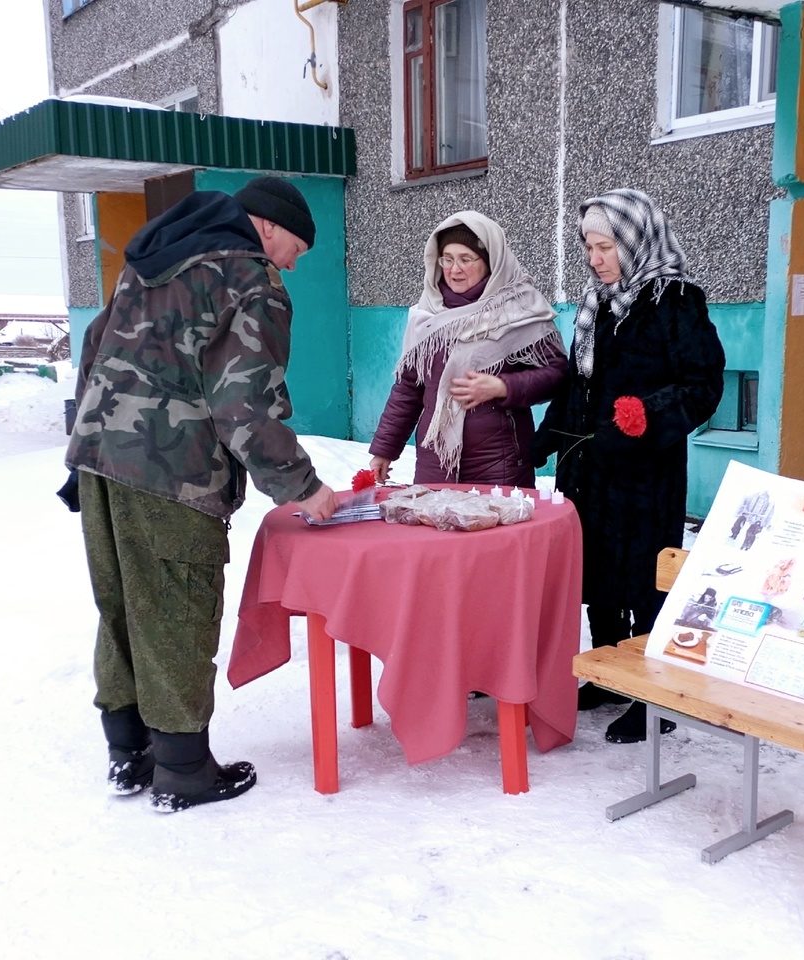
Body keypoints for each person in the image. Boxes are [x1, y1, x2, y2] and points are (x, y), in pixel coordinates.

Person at [65, 176, 341, 812]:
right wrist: (301, 486)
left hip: (101, 456)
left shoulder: (156, 259)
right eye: (297, 246)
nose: (295, 264)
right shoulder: (251, 280)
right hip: (173, 470)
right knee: (174, 607)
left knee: (123, 603)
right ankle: (184, 771)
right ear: (267, 226)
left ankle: (128, 752)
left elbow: (93, 346)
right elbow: (243, 404)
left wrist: (89, 441)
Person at [534, 189, 726, 744]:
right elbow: (579, 386)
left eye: (605, 247)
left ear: (635, 242)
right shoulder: (597, 305)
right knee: (598, 574)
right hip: (591, 468)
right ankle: (610, 673)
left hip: (646, 472)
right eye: (589, 247)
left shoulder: (676, 301)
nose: (595, 259)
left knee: (644, 578)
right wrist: (545, 441)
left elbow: (703, 384)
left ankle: (652, 695)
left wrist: (650, 413)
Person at [368, 212, 568, 486]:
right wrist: (384, 449)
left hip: (501, 464)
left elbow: (557, 375)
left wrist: (503, 387)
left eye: (465, 259)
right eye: (447, 259)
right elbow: (408, 388)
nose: (454, 269)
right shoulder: (427, 315)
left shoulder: (521, 309)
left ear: (490, 263)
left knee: (498, 529)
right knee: (435, 527)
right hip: (436, 463)